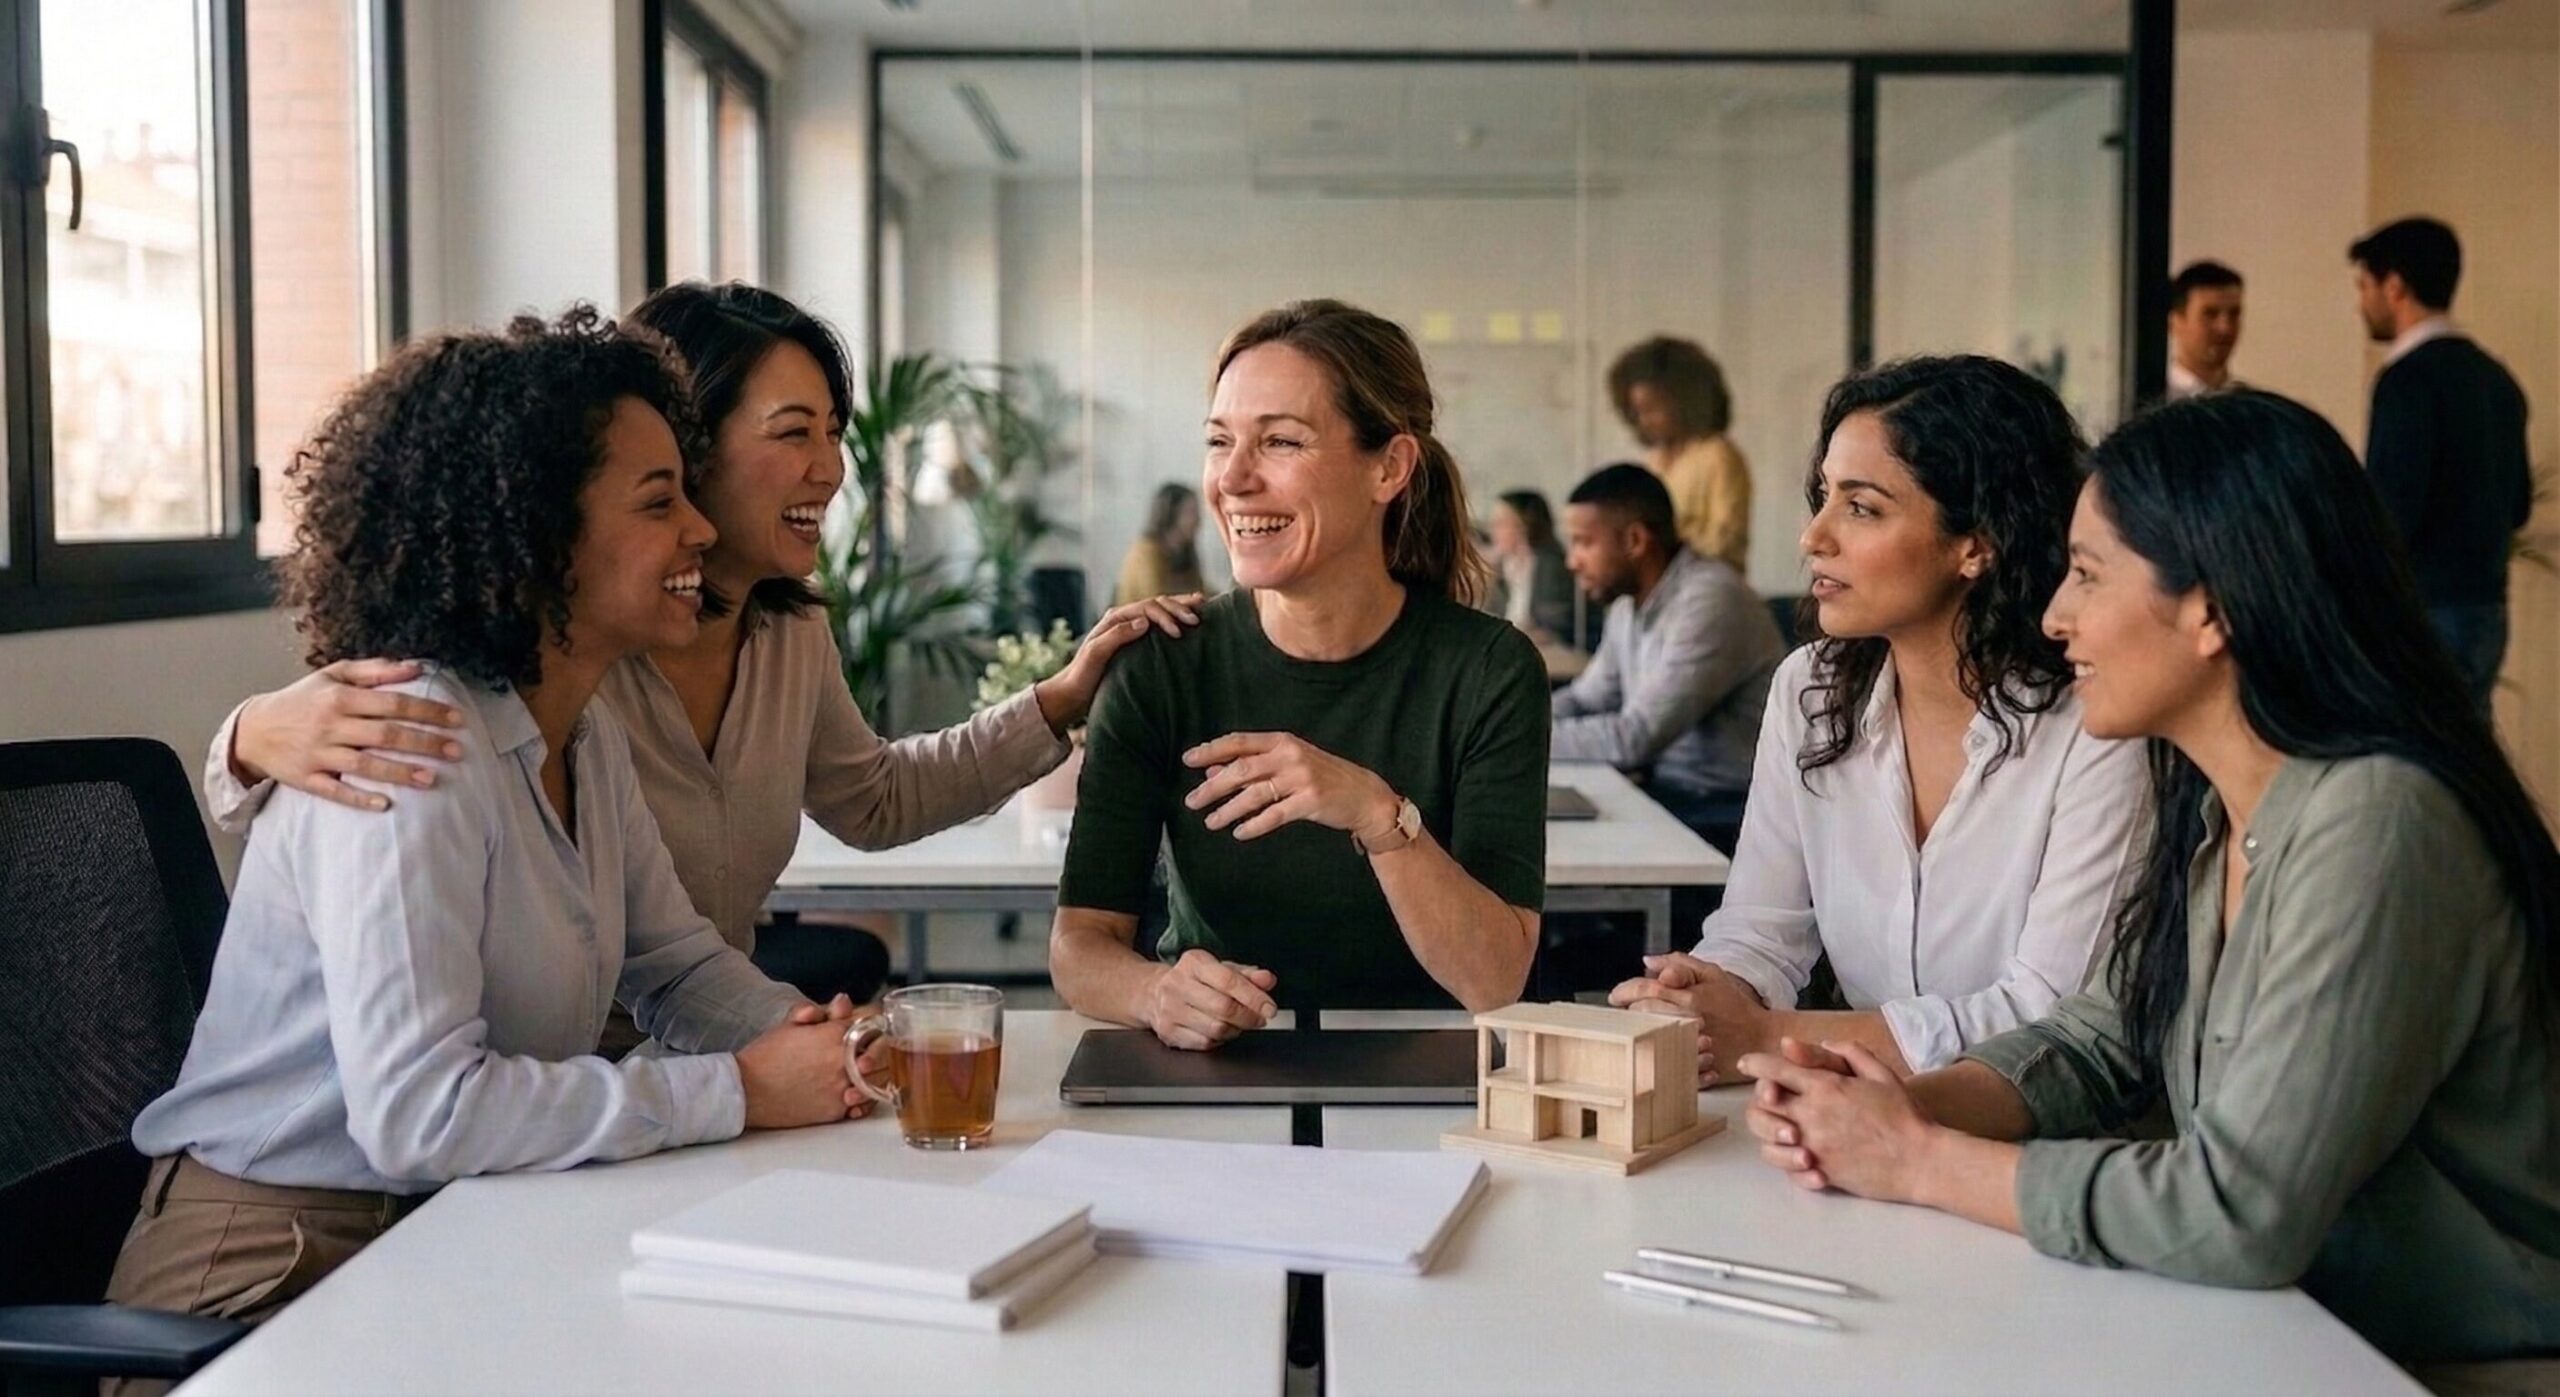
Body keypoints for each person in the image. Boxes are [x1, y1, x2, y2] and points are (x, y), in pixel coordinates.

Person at [1741, 390, 2560, 1368]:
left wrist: (1919, 1160)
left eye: (2086, 575)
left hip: (2437, 1367)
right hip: (2285, 1335)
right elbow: (2103, 1036)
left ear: (2208, 608)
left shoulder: (2376, 823)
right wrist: (1902, 1103)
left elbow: (2237, 1210)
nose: (2054, 615)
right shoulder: (2217, 808)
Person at [104, 308, 868, 1345]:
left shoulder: (580, 733)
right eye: (659, 501)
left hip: (451, 1224)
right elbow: (418, 1112)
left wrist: (811, 1040)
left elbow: (678, 965)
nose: (699, 528)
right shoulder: (409, 746)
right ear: (538, 538)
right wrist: (736, 1088)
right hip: (273, 1267)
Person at [203, 283, 1197, 1043]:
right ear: (688, 446)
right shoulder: (554, 660)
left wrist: (1061, 699)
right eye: (793, 432)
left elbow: (871, 801)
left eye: (835, 433)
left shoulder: (781, 633)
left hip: (682, 1053)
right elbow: (362, 770)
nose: (833, 467)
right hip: (556, 1079)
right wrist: (243, 740)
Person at [1610, 355, 2148, 1083]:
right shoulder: (1811, 688)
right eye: (1824, 496)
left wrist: (1771, 1032)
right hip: (1847, 1125)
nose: (1814, 537)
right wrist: (1704, 996)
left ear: (1977, 543)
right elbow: (1760, 930)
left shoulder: (2096, 722)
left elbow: (2051, 1013)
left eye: (1862, 507)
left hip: (2033, 1150)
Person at [1050, 299, 1549, 1047]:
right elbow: (1079, 945)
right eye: (1220, 442)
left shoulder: (1489, 669)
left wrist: (1377, 814)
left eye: (1281, 441)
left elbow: (1494, 979)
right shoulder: (1161, 662)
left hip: (1424, 1075)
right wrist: (1155, 993)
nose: (1234, 479)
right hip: (1214, 1077)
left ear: (1390, 466)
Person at [2350, 217, 2533, 713]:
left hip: (2424, 611)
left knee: (2414, 765)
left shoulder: (2407, 381)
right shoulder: (2497, 380)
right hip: (2487, 610)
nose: (2361, 301)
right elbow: (2517, 507)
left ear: (2395, 287)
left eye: (2364, 286)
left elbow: (2391, 512)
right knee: (2467, 761)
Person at [1550, 462, 1783, 852]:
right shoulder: (1627, 607)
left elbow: (1636, 737)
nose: (1572, 561)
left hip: (1725, 813)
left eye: (1584, 543)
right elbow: (1585, 699)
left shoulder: (1711, 599)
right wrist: (1513, 721)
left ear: (1635, 541)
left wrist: (1519, 740)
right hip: (1666, 794)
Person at [1607, 336, 1751, 573]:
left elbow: (1727, 542)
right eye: (1638, 412)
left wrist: (1667, 542)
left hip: (1709, 587)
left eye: (1653, 409)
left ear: (1684, 401)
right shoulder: (1654, 461)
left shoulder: (1718, 455)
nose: (1645, 421)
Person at [1487, 488, 1577, 644]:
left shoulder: (1551, 566)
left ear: (1525, 526)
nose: (1493, 530)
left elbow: (1556, 628)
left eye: (1501, 523)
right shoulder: (1505, 567)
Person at [1116, 481, 1209, 606]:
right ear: (1172, 514)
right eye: (1191, 512)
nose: (1198, 520)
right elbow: (1157, 601)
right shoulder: (1145, 553)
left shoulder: (1184, 553)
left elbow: (1201, 592)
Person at [2166, 260, 2244, 399]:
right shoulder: (2154, 403)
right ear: (2175, 322)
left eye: (2234, 314)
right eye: (2210, 314)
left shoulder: (2250, 405)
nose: (2225, 328)